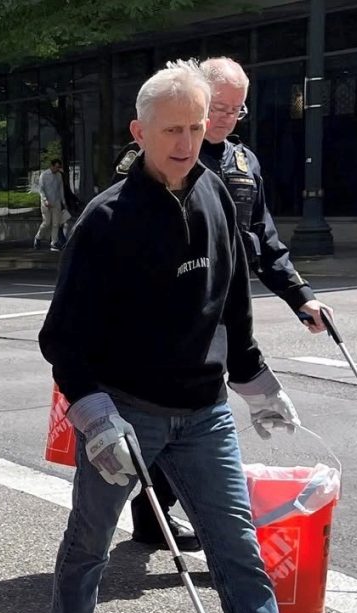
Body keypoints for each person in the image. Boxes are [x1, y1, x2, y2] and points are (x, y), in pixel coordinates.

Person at [38, 60, 357, 613]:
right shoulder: (106, 220)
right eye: (170, 129)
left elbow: (231, 304)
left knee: (240, 554)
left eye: (194, 126)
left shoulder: (215, 192)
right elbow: (62, 338)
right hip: (126, 411)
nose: (185, 141)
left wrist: (257, 384)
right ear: (139, 131)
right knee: (91, 540)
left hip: (203, 409)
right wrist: (95, 416)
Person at [112, 56, 334, 554]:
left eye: (237, 110)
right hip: (171, 313)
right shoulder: (162, 157)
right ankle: (155, 515)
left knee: (198, 421)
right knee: (167, 417)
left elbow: (264, 238)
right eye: (220, 108)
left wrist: (303, 297)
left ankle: (210, 533)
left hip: (223, 305)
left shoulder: (242, 164)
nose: (226, 119)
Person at [33, 158, 66, 251]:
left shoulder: (59, 175)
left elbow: (61, 189)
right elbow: (41, 189)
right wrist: (45, 200)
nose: (57, 169)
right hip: (46, 203)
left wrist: (63, 202)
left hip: (56, 202)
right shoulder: (44, 175)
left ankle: (54, 242)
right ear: (51, 166)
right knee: (46, 223)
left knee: (56, 223)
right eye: (55, 167)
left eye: (58, 167)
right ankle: (38, 237)